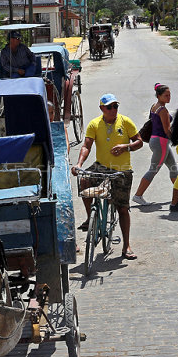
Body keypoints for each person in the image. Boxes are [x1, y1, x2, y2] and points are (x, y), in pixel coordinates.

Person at [72, 94, 143, 260]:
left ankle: (126, 246)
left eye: (115, 106)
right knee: (84, 179)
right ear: (102, 109)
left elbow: (139, 142)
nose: (113, 110)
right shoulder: (94, 124)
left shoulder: (125, 122)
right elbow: (86, 146)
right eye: (109, 107)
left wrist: (126, 147)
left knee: (123, 208)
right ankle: (91, 217)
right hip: (102, 166)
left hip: (122, 170)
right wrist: (79, 164)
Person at [131, 84, 178, 211]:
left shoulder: (154, 106)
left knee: (173, 167)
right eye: (166, 95)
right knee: (153, 169)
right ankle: (138, 195)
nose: (169, 97)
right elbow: (167, 130)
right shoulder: (163, 110)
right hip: (161, 142)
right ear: (159, 96)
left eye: (169, 95)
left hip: (157, 141)